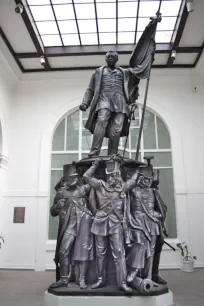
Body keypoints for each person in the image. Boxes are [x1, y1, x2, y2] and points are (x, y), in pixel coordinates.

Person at [83, 156, 139, 293]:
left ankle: (123, 282)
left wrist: (138, 169)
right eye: (113, 175)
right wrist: (95, 165)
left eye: (117, 174)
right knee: (100, 254)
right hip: (100, 222)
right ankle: (100, 280)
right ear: (108, 176)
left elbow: (132, 181)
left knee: (119, 253)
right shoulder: (100, 185)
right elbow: (86, 176)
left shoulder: (122, 188)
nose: (115, 177)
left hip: (116, 224)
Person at [79, 50, 139, 157]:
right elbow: (90, 89)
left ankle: (112, 153)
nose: (110, 58)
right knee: (101, 120)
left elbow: (134, 85)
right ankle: (95, 151)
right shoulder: (98, 72)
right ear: (105, 59)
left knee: (117, 127)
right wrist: (85, 103)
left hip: (120, 101)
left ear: (117, 59)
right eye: (108, 57)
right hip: (104, 98)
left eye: (112, 57)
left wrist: (132, 102)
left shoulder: (125, 72)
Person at [50, 163, 93, 289]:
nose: (75, 179)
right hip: (69, 226)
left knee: (82, 253)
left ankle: (81, 278)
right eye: (72, 177)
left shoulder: (82, 189)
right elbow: (52, 212)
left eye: (76, 176)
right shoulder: (61, 193)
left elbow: (92, 182)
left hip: (83, 226)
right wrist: (57, 206)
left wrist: (94, 166)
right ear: (66, 179)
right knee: (63, 251)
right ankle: (64, 279)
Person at [126, 173, 167, 284]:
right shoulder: (132, 191)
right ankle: (134, 271)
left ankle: (149, 276)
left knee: (152, 251)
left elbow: (162, 208)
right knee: (139, 246)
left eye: (149, 179)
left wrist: (158, 215)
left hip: (153, 223)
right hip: (137, 223)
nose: (147, 181)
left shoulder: (153, 191)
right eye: (145, 179)